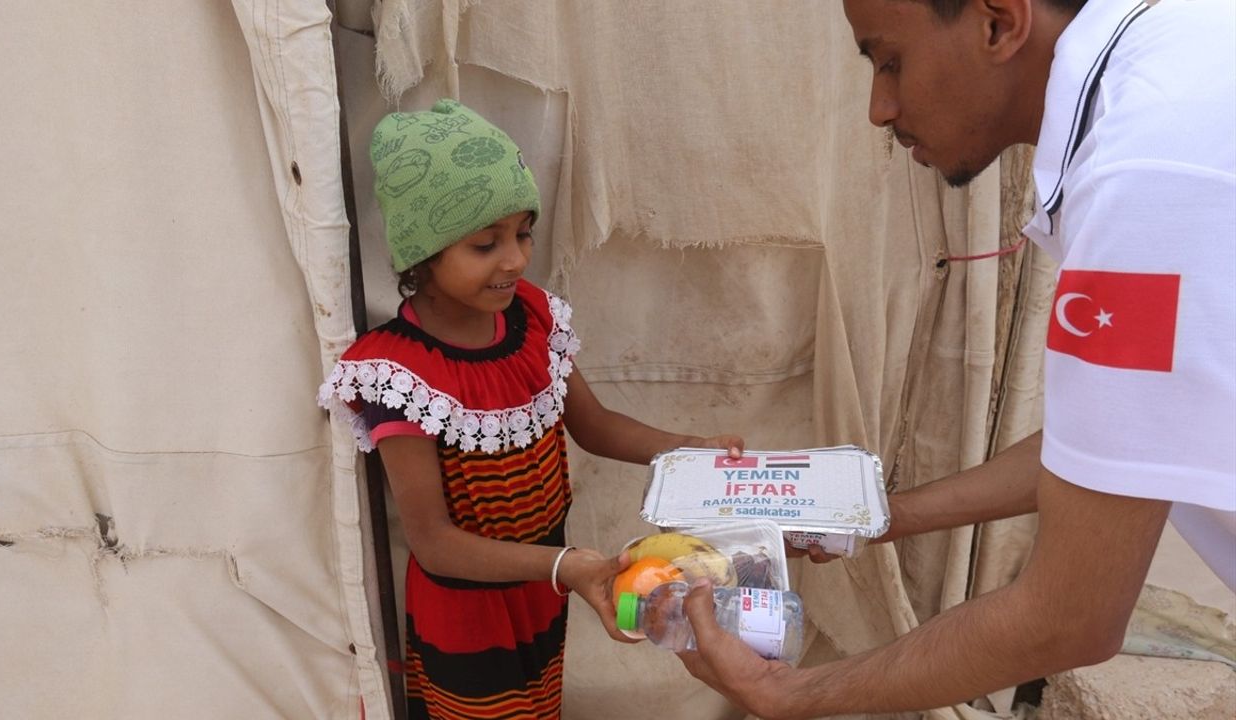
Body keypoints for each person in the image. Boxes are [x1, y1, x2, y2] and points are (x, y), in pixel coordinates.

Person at [675, 0, 1235, 717]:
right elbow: (1112, 441)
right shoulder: (1174, 71)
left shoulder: (1145, 173)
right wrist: (884, 514)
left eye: (890, 62)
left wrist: (785, 691)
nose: (880, 108)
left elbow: (1073, 617)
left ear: (998, 24)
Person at [318, 99, 743, 720]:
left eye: (523, 233)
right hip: (468, 612)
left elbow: (594, 427)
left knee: (540, 705)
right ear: (423, 255)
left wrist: (687, 448)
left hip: (542, 586)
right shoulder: (398, 373)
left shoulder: (534, 320)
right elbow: (434, 543)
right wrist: (568, 566)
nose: (515, 259)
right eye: (486, 243)